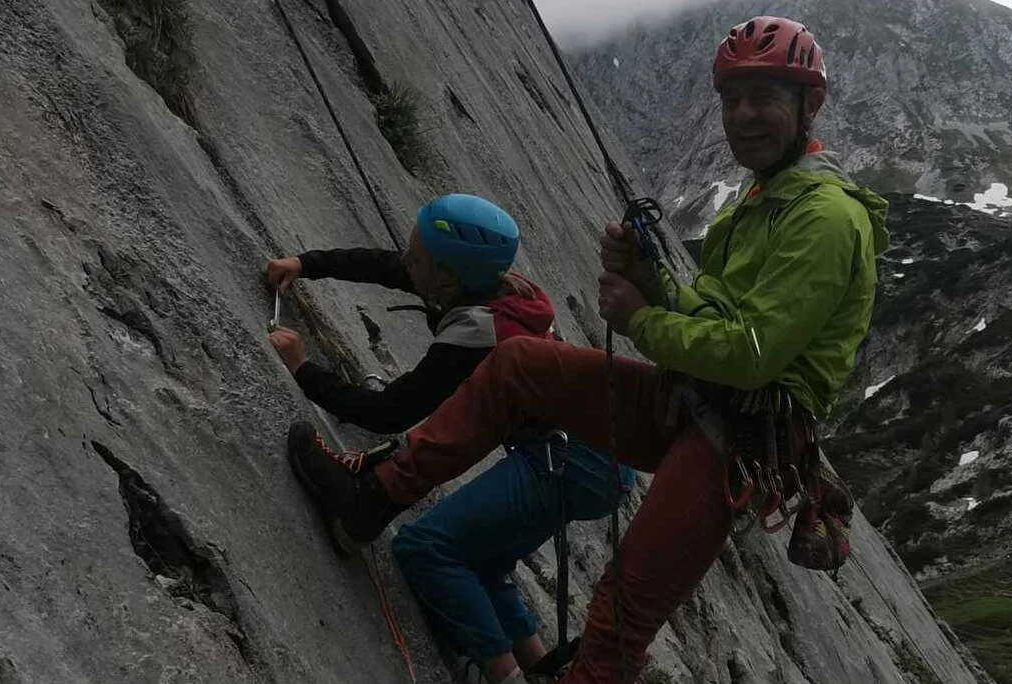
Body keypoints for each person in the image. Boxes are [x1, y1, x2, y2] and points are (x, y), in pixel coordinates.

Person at [285, 16, 889, 683]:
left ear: (811, 104)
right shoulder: (764, 200)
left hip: (739, 437)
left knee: (621, 611)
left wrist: (638, 318)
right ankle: (375, 498)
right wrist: (650, 278)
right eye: (732, 97)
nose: (743, 114)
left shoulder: (826, 217)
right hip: (694, 401)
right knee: (521, 366)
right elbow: (711, 313)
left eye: (765, 96)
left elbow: (750, 353)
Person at [266, 193, 634, 684]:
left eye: (416, 253)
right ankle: (541, 669)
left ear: (448, 277)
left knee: (426, 548)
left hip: (567, 461)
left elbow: (391, 410)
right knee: (482, 563)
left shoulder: (480, 332)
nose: (405, 257)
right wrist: (306, 264)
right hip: (598, 458)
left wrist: (303, 369)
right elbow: (395, 268)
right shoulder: (498, 289)